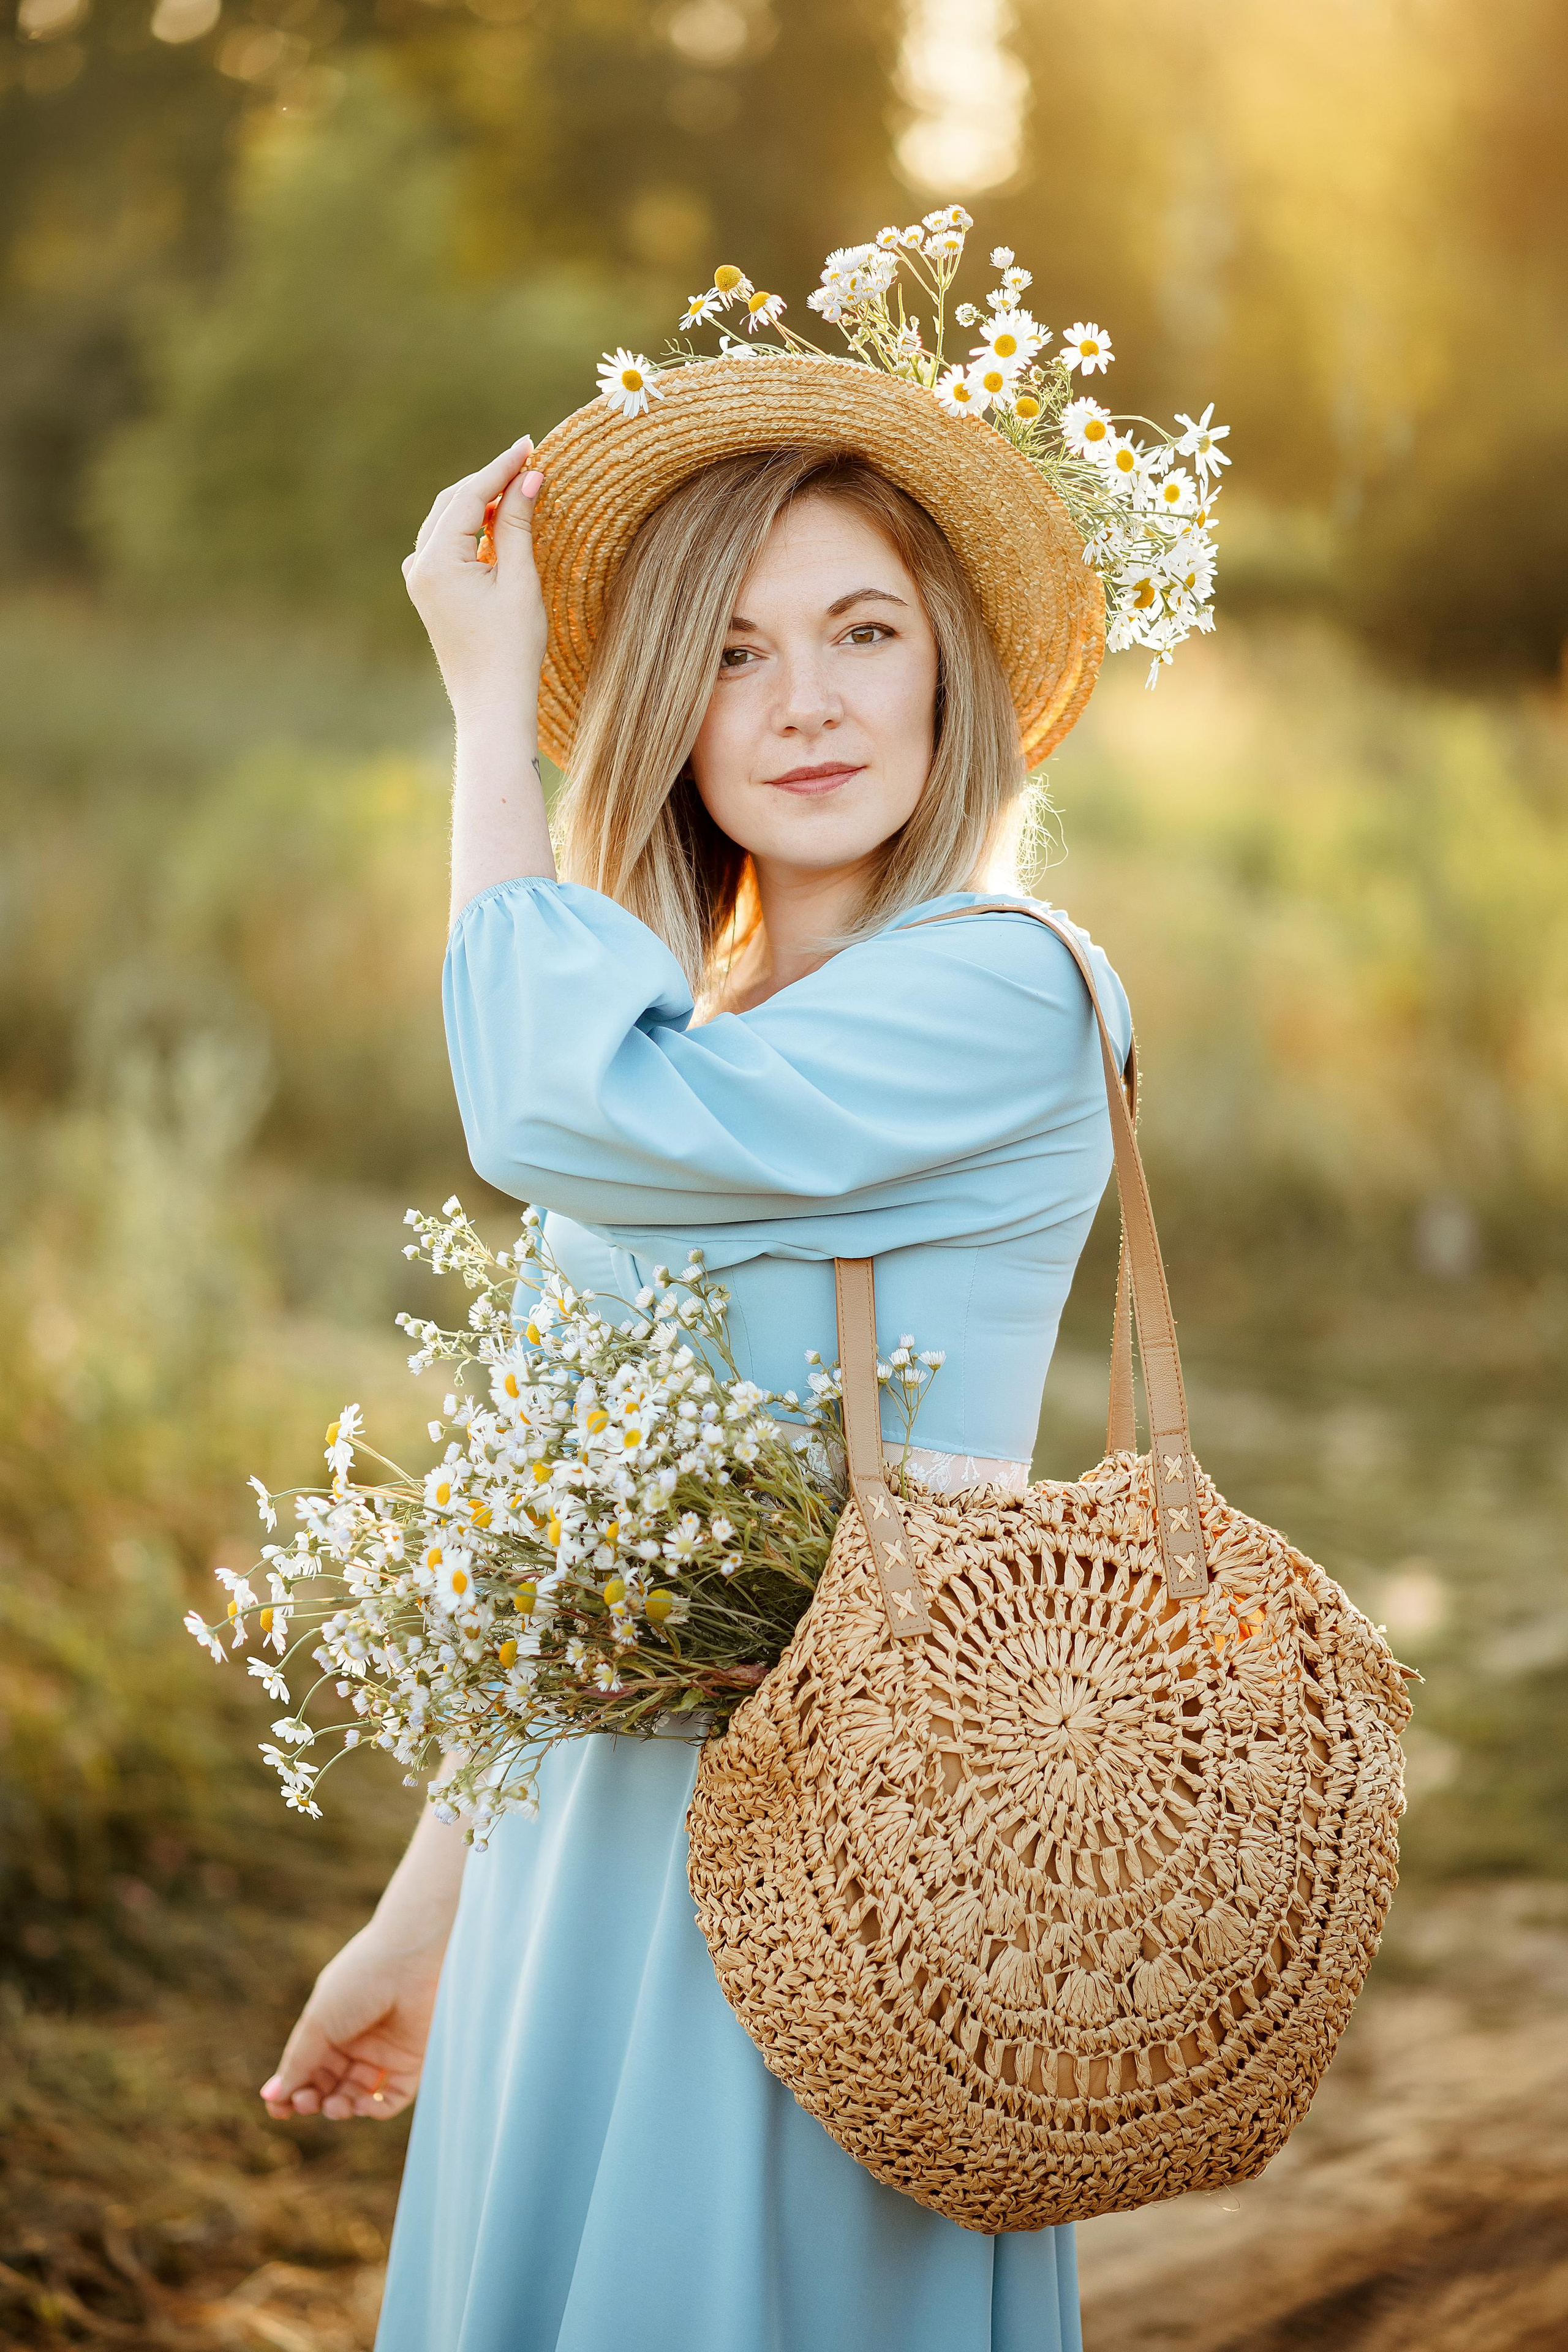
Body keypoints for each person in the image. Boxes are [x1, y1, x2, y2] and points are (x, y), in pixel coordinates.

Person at [258, 336, 1136, 2351]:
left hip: (847, 1871)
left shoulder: (1010, 992)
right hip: (576, 1866)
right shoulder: (696, 1036)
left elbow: (537, 1110)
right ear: (672, 710)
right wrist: (424, 1919)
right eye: (732, 653)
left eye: (862, 631)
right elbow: (567, 1565)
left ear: (948, 670)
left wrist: (491, 706)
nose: (807, 700)